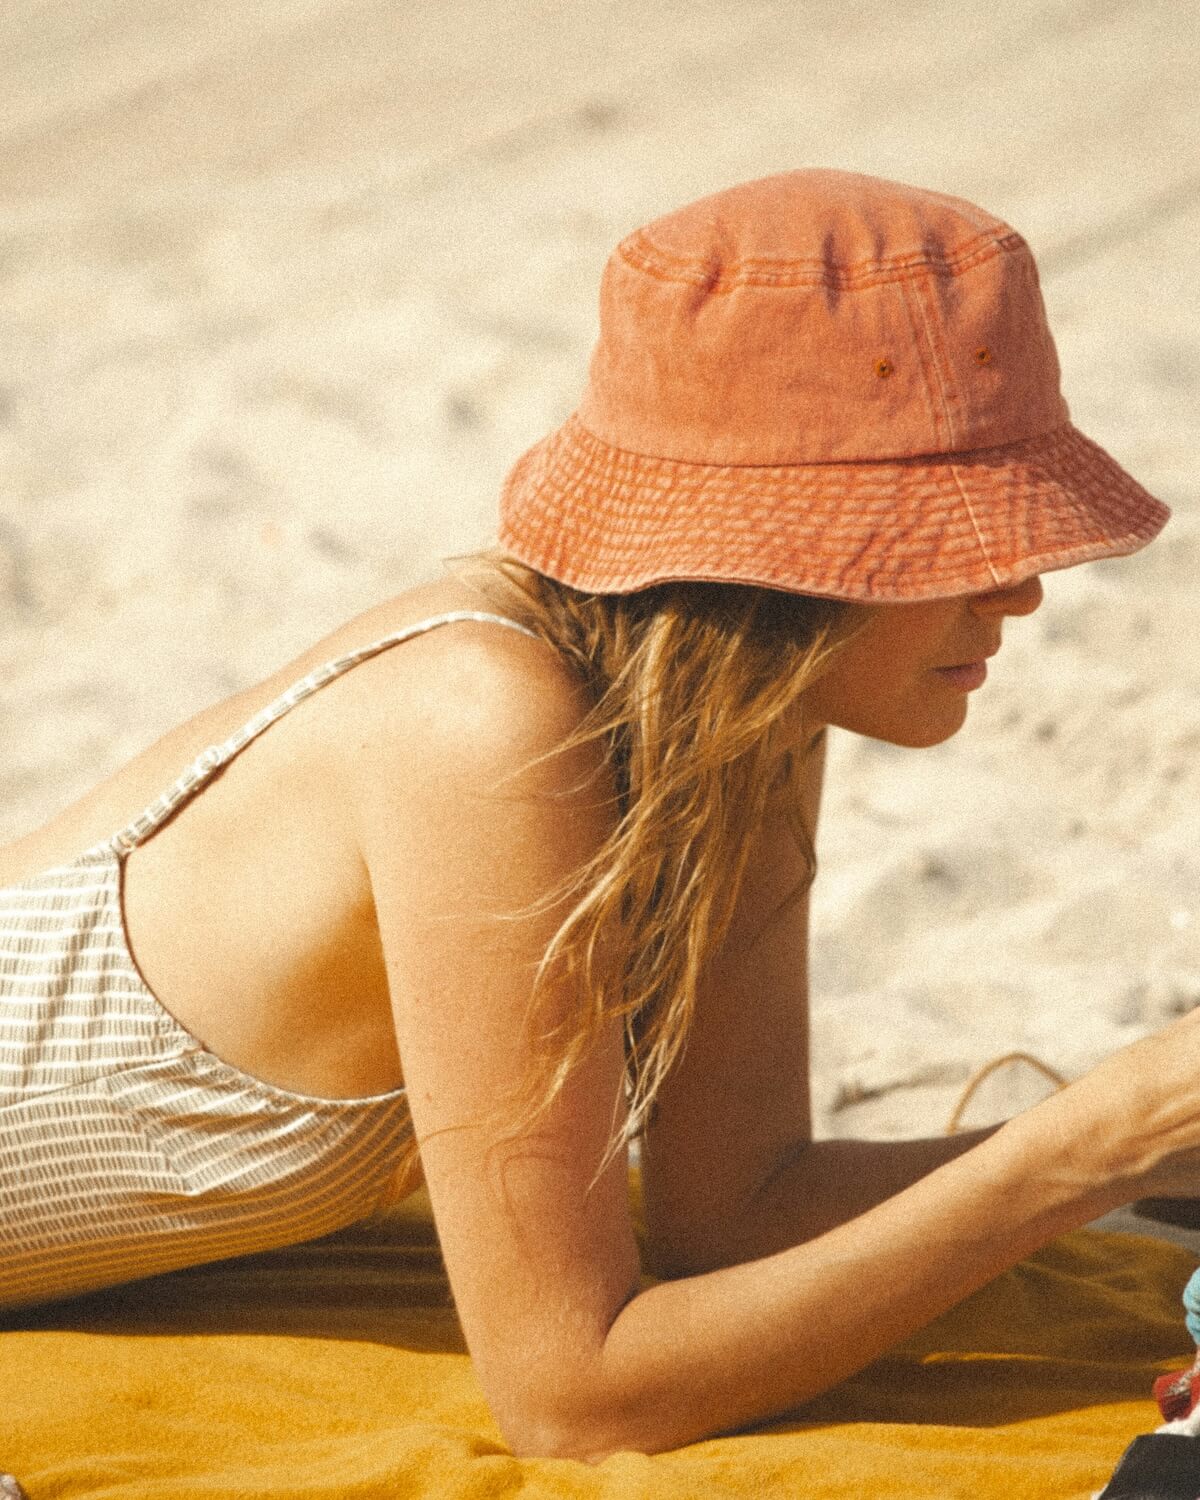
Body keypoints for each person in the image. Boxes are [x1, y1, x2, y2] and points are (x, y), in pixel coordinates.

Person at [0, 167, 1193, 1462]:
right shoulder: (484, 724)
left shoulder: (729, 717)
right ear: (780, 561)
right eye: (955, 540)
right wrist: (1085, 1149)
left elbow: (735, 1212)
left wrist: (1152, 1145)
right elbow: (571, 1400)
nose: (1023, 594)